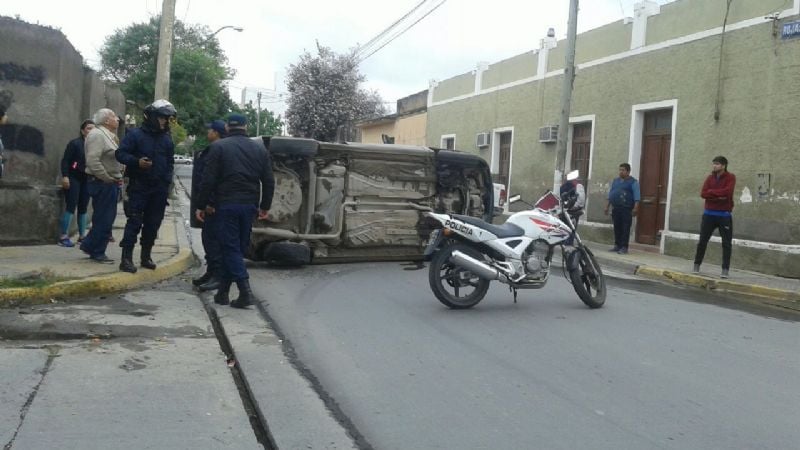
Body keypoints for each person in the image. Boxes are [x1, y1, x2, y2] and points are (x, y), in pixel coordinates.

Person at [196, 114, 274, 309]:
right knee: (237, 249)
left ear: (228, 128)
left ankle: (245, 292)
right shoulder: (259, 149)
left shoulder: (218, 148)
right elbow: (269, 180)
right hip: (249, 206)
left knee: (230, 249)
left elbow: (208, 180)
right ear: (246, 127)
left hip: (226, 205)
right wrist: (265, 206)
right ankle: (223, 292)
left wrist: (201, 205)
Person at [115, 99, 177, 273]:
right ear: (151, 116)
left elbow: (170, 162)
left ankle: (145, 256)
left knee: (153, 224)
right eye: (162, 117)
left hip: (159, 189)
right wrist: (136, 162)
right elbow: (120, 153)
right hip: (139, 186)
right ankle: (126, 259)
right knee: (134, 222)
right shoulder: (135, 135)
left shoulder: (166, 138)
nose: (165, 121)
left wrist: (166, 182)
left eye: (167, 118)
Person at [79, 108, 122, 263]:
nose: (117, 119)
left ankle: (90, 245)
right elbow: (93, 161)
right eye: (114, 116)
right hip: (102, 182)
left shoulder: (109, 136)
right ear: (106, 120)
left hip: (109, 182)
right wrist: (106, 177)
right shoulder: (97, 135)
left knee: (103, 217)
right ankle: (97, 251)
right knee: (104, 219)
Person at [190, 119, 227, 291]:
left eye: (210, 130)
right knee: (208, 239)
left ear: (217, 133)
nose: (207, 133)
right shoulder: (215, 148)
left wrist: (209, 202)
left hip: (214, 205)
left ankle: (217, 276)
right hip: (211, 202)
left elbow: (214, 179)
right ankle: (211, 272)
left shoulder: (219, 149)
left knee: (213, 240)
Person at [693, 156, 736, 278]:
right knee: (702, 241)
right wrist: (718, 196)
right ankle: (696, 264)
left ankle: (725, 269)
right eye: (713, 164)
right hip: (709, 214)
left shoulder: (730, 177)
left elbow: (728, 192)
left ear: (723, 165)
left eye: (717, 164)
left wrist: (711, 193)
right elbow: (703, 193)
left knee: (726, 243)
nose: (714, 166)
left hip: (724, 215)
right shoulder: (710, 178)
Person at [58, 119, 95, 247]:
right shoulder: (75, 144)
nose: (91, 131)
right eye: (89, 128)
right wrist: (65, 176)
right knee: (71, 205)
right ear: (82, 130)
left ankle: (82, 236)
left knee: (83, 207)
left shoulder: (94, 145)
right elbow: (65, 161)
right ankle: (63, 236)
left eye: (93, 128)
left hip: (87, 179)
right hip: (73, 177)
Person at [604, 163, 640, 254]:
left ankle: (624, 247)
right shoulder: (616, 181)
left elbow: (637, 196)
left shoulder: (633, 182)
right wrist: (607, 206)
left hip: (626, 209)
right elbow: (610, 194)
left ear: (628, 171)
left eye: (623, 170)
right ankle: (617, 245)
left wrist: (635, 208)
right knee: (617, 227)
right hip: (616, 208)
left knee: (625, 228)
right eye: (620, 170)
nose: (620, 172)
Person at [559, 170, 586, 246]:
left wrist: (573, 208)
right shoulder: (563, 186)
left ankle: (569, 242)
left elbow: (581, 199)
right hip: (565, 210)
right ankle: (564, 240)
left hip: (573, 211)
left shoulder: (578, 185)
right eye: (565, 176)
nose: (565, 177)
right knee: (564, 225)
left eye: (567, 176)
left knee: (572, 226)